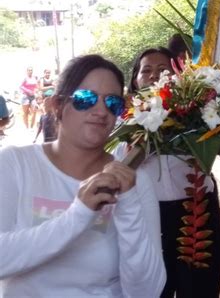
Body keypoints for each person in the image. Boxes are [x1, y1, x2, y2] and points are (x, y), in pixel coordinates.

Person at [0, 54, 166, 297]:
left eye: (112, 103)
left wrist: (128, 205)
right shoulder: (15, 164)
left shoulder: (134, 182)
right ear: (57, 105)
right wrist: (79, 215)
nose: (100, 111)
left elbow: (147, 291)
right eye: (85, 99)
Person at [127, 47, 220, 298]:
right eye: (146, 70)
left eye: (163, 69)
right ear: (135, 80)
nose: (153, 75)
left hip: (198, 213)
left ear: (179, 75)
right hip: (148, 218)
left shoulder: (201, 115)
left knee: (200, 289)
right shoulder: (123, 125)